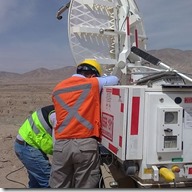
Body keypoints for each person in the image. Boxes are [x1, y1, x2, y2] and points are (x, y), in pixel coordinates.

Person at [49, 59, 119, 188]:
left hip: (61, 145)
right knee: (85, 185)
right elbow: (115, 79)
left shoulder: (57, 88)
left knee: (59, 185)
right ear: (93, 75)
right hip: (85, 144)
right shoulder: (92, 83)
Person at [14, 105, 56, 188]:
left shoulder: (60, 110)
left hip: (28, 145)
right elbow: (58, 147)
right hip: (28, 147)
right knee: (50, 183)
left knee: (36, 183)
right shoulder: (56, 115)